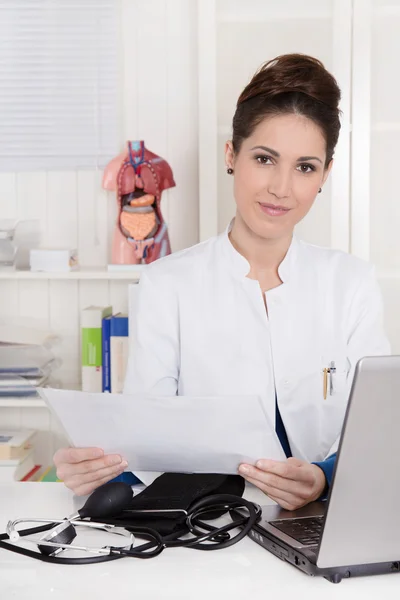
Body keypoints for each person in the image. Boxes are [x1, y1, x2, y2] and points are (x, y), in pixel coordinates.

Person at [54, 54, 390, 508]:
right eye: (265, 158)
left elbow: (379, 428)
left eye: (305, 167)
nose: (281, 187)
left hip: (326, 520)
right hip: (210, 526)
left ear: (325, 174)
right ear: (232, 155)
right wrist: (96, 467)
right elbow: (147, 437)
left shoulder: (352, 285)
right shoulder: (165, 284)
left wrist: (323, 477)